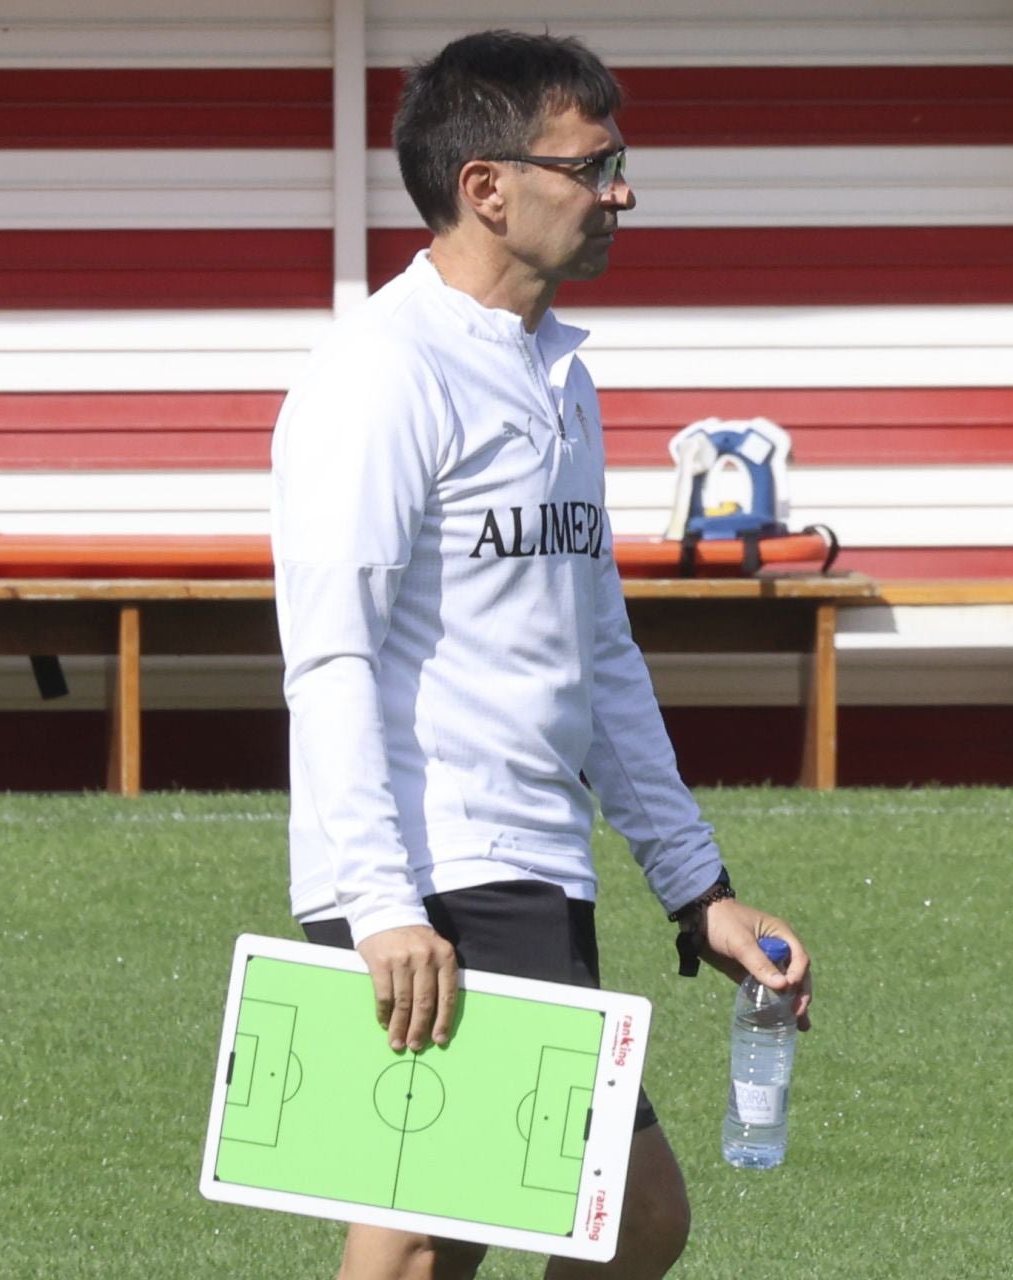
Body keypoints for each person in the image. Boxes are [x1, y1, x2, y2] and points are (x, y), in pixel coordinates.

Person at [269, 29, 813, 1280]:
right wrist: (382, 905)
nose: (618, 191)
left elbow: (600, 653)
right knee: (464, 1227)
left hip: (529, 863)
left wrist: (699, 890)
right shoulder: (381, 371)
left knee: (498, 1225)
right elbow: (331, 658)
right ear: (488, 186)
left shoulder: (560, 373)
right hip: (435, 867)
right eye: (592, 163)